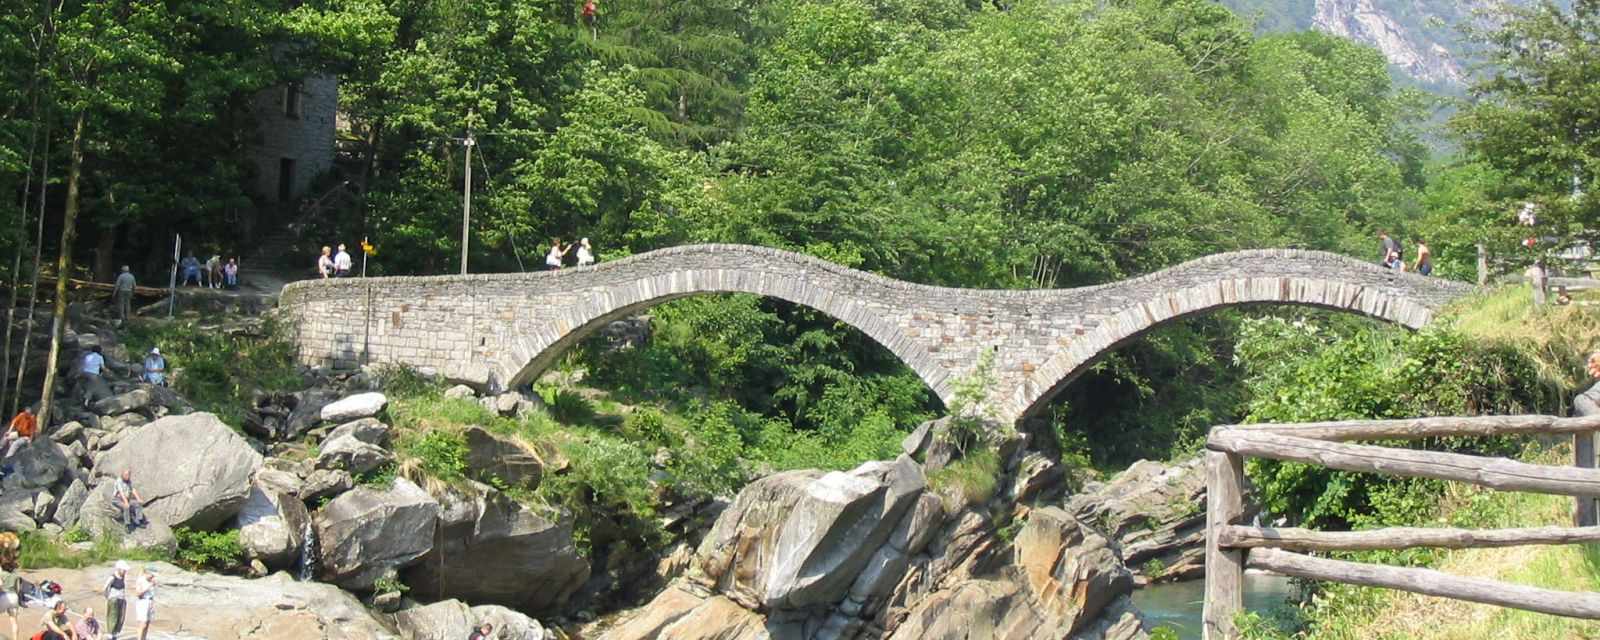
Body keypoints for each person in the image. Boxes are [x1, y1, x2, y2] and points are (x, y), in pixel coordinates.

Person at [103, 561, 129, 640]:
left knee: (120, 617)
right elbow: (105, 588)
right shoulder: (112, 577)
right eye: (124, 570)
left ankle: (115, 633)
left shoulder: (123, 577)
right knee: (113, 617)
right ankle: (110, 633)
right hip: (114, 599)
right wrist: (108, 597)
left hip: (121, 599)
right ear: (119, 569)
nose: (125, 571)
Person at [0, 533, 18, 640]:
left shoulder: (1, 572)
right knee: (14, 621)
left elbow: (0, 584)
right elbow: (17, 587)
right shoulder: (14, 574)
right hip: (14, 597)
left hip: (4, 596)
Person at [132, 569, 155, 640]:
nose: (153, 577)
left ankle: (143, 638)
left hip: (150, 602)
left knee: (147, 623)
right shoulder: (141, 580)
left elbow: (152, 593)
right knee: (143, 624)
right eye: (152, 575)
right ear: (147, 573)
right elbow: (138, 594)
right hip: (143, 602)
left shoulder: (151, 581)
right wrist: (148, 587)